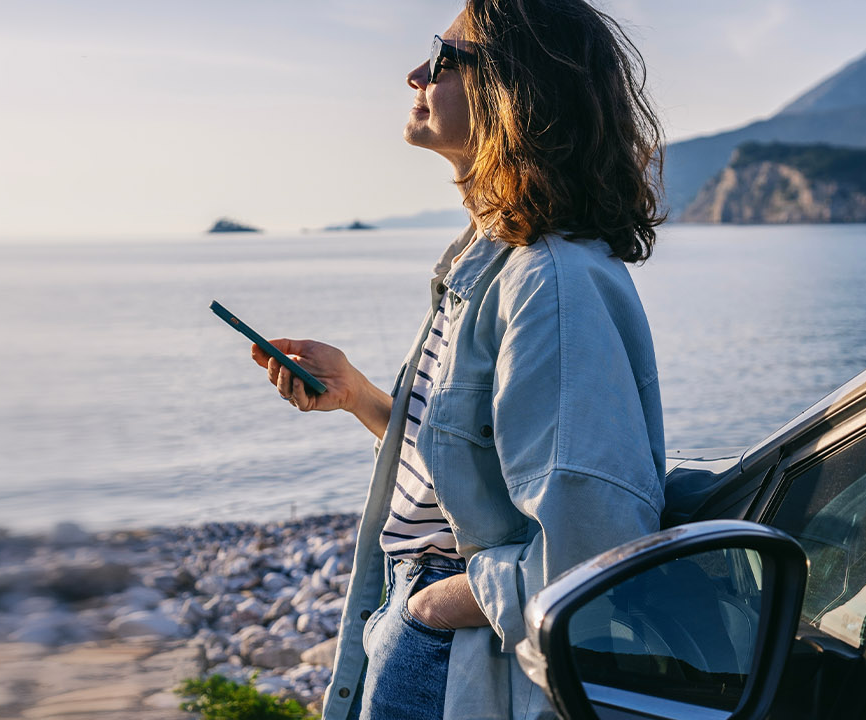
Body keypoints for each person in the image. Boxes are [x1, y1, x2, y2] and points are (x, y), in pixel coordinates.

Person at [247, 1, 667, 718]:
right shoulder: (488, 260)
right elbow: (471, 473)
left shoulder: (549, 283)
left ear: (513, 91)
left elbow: (597, 549)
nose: (415, 73)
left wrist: (435, 608)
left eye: (443, 59)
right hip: (429, 618)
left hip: (460, 642)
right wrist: (359, 398)